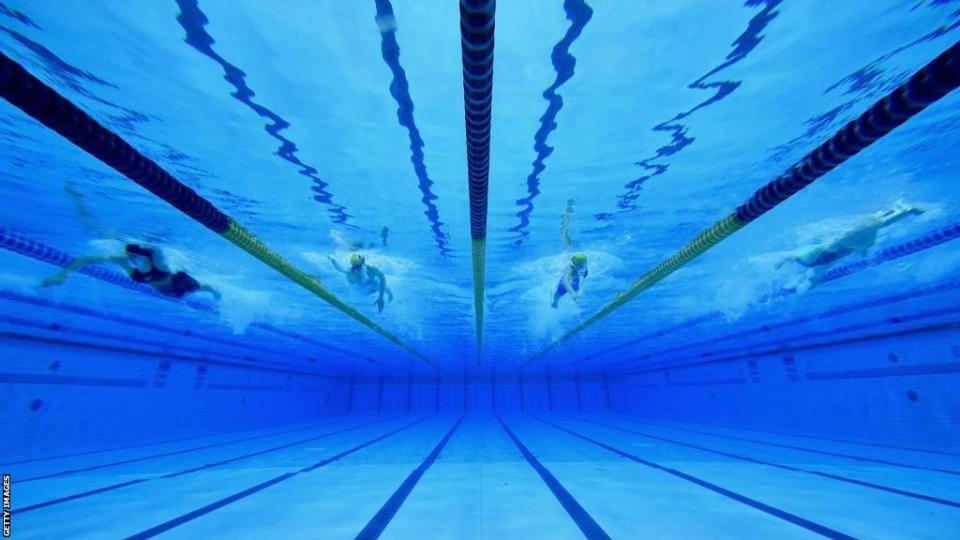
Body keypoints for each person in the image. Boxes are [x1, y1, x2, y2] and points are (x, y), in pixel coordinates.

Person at [777, 201, 925, 291]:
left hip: (835, 250)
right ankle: (904, 210)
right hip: (839, 250)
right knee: (876, 225)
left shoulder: (808, 257)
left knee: (875, 225)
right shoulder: (811, 257)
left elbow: (832, 247)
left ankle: (905, 210)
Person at [41, 243, 220, 300]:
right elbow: (88, 259)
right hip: (172, 286)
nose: (131, 260)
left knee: (196, 287)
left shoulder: (160, 268)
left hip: (173, 284)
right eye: (132, 258)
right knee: (197, 288)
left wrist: (213, 291)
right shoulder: (134, 268)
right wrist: (63, 273)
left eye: (136, 258)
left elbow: (157, 251)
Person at [328, 252, 393, 312]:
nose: (356, 269)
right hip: (362, 289)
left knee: (380, 284)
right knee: (359, 293)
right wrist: (333, 260)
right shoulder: (351, 272)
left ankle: (389, 293)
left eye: (358, 266)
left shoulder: (372, 269)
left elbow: (383, 279)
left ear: (363, 263)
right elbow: (340, 268)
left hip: (371, 284)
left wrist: (381, 297)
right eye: (354, 267)